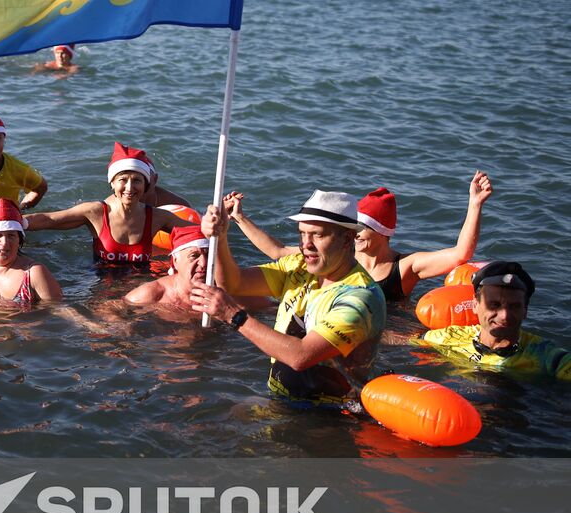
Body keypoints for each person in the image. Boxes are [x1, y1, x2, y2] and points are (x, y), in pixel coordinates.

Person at [189, 190, 387, 406]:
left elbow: (300, 356)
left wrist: (233, 315)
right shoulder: (298, 266)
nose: (306, 244)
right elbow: (234, 283)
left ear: (348, 238)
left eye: (318, 235)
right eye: (302, 234)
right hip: (280, 401)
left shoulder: (359, 298)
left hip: (330, 416)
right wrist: (220, 237)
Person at [225, 171, 494, 303]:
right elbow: (277, 251)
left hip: (386, 333)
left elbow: (460, 254)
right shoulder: (337, 257)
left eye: (362, 229)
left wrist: (475, 205)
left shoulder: (405, 268)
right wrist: (239, 218)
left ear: (382, 233)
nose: (356, 236)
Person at [21, 142, 187, 268]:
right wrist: (10, 221)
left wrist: (211, 224)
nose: (130, 188)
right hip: (102, 287)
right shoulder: (96, 212)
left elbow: (198, 232)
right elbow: (49, 220)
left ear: (146, 185)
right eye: (123, 180)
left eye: (137, 180)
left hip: (141, 286)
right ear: (112, 183)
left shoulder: (158, 217)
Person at [416, 262, 569, 380]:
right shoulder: (449, 337)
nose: (504, 315)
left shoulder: (550, 359)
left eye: (514, 306)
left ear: (525, 311)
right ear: (475, 305)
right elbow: (398, 341)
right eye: (494, 305)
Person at [124, 225, 211, 309]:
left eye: (208, 255)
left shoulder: (221, 293)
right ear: (175, 261)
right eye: (194, 256)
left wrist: (225, 311)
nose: (204, 263)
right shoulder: (151, 294)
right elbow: (113, 309)